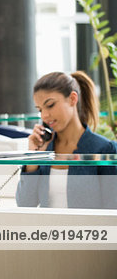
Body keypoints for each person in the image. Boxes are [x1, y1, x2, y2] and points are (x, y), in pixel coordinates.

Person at [16, 71, 117, 209]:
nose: (45, 115)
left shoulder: (104, 149)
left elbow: (112, 211)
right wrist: (33, 157)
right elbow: (25, 204)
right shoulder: (45, 149)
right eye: (40, 109)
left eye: (50, 105)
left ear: (72, 99)